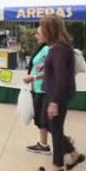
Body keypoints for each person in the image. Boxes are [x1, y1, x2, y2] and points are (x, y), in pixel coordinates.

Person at [25, 15, 85, 171]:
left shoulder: (59, 49)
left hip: (55, 95)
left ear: (49, 30)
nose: (38, 33)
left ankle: (57, 165)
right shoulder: (58, 47)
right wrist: (40, 73)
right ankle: (73, 154)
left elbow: (61, 78)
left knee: (55, 128)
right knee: (49, 124)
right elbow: (55, 73)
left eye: (41, 29)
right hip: (52, 93)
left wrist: (55, 102)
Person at [22, 26, 51, 154]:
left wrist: (34, 77)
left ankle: (67, 146)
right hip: (38, 87)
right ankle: (43, 144)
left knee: (44, 119)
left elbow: (51, 70)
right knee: (40, 118)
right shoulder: (43, 48)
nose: (35, 36)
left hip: (43, 89)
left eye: (38, 33)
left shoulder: (47, 49)